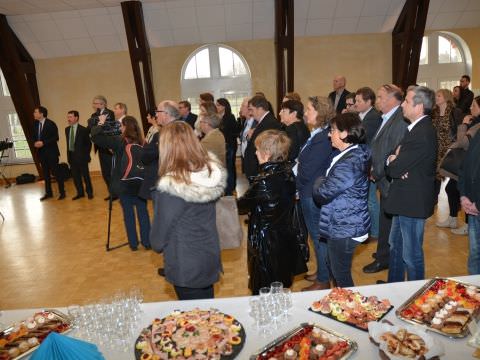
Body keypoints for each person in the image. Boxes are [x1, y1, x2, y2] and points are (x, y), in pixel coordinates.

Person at [150, 122, 226, 300]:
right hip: (208, 255)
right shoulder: (206, 172)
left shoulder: (173, 184)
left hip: (187, 263)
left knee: (194, 322)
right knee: (207, 316)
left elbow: (158, 240)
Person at [237, 130, 306, 295]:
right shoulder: (288, 172)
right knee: (281, 283)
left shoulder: (264, 181)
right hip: (285, 235)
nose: (255, 152)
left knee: (263, 287)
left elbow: (241, 206)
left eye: (257, 149)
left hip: (265, 241)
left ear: (266, 154)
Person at [384, 86, 437, 283]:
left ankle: (416, 296)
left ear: (419, 106)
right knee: (395, 246)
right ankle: (394, 288)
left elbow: (395, 169)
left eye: (406, 101)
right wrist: (394, 159)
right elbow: (396, 163)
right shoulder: (415, 129)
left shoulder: (422, 133)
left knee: (411, 254)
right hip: (404, 199)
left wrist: (393, 161)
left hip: (412, 202)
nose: (402, 105)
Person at [312, 112, 371, 287]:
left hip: (345, 226)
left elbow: (323, 192)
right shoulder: (349, 154)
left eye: (333, 130)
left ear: (345, 133)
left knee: (341, 275)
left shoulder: (350, 162)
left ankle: (350, 309)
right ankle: (341, 305)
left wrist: (319, 180)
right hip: (342, 221)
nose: (329, 134)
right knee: (336, 270)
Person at [363, 84, 408, 274]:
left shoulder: (399, 120)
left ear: (392, 100)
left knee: (388, 223)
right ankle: (384, 253)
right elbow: (379, 145)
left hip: (389, 180)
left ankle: (384, 258)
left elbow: (393, 150)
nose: (377, 101)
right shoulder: (388, 117)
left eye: (380, 97)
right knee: (385, 220)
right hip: (383, 177)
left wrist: (376, 172)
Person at [91, 115, 151, 251]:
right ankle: (147, 242)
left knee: (128, 214)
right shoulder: (143, 142)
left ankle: (133, 244)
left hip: (124, 183)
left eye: (121, 125)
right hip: (141, 183)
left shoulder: (119, 141)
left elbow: (96, 138)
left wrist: (100, 123)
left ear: (125, 127)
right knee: (143, 212)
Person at [296, 96, 336, 291]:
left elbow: (308, 170)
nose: (305, 113)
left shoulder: (323, 137)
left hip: (312, 193)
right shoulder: (318, 133)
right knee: (317, 236)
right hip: (309, 190)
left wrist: (295, 184)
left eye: (309, 109)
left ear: (320, 113)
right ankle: (322, 271)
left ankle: (323, 280)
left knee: (319, 237)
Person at [440, 96, 480, 236]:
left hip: (472, 168)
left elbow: (463, 142)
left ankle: (468, 225)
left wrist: (463, 125)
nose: (470, 108)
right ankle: (453, 218)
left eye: (474, 105)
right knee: (452, 188)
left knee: (466, 192)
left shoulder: (477, 126)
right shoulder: (474, 122)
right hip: (465, 165)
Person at [354, 87, 383, 240]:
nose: (356, 103)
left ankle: (376, 232)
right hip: (362, 161)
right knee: (365, 198)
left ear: (368, 102)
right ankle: (369, 228)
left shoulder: (373, 117)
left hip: (369, 162)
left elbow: (362, 139)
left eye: (359, 101)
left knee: (371, 199)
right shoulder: (361, 115)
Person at [139, 101, 179, 203]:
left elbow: (145, 156)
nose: (156, 115)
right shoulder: (183, 129)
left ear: (166, 114)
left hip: (164, 182)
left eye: (158, 111)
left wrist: (145, 150)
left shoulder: (164, 134)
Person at [431, 89, 463, 203]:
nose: (436, 98)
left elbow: (460, 131)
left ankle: (456, 206)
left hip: (451, 150)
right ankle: (434, 199)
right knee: (436, 175)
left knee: (453, 179)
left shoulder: (455, 112)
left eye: (438, 96)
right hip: (436, 148)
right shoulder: (433, 112)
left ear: (446, 97)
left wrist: (456, 145)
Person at [458, 123, 480, 275]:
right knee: (475, 254)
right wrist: (464, 194)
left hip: (476, 205)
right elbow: (465, 165)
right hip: (472, 205)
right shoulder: (478, 132)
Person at [243, 95, 281, 180]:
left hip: (260, 170)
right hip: (257, 169)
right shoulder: (264, 121)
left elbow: (269, 150)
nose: (250, 113)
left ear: (260, 109)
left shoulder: (269, 123)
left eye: (251, 110)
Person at [33, 106, 65, 201]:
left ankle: (62, 192)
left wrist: (43, 143)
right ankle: (48, 193)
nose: (34, 114)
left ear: (41, 114)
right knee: (45, 175)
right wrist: (35, 142)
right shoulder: (35, 124)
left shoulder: (51, 124)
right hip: (41, 153)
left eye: (35, 112)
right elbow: (33, 136)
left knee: (56, 173)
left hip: (52, 153)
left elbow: (56, 138)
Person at [87, 95, 115, 201]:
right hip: (100, 146)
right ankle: (112, 192)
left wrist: (98, 126)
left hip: (109, 146)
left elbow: (106, 128)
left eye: (95, 103)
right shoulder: (94, 115)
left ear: (102, 104)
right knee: (105, 172)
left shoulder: (110, 113)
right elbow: (91, 128)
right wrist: (99, 124)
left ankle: (116, 192)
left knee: (112, 171)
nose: (94, 105)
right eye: (93, 103)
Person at [65, 110, 93, 200]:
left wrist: (84, 155)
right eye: (68, 117)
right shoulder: (67, 129)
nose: (68, 119)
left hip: (82, 158)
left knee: (85, 176)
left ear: (76, 118)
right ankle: (80, 193)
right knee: (76, 177)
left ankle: (89, 192)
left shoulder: (83, 130)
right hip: (72, 157)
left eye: (70, 117)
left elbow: (88, 144)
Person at [216, 98, 241, 195]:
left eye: (218, 105)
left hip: (229, 145)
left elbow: (235, 132)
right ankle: (224, 186)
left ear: (224, 106)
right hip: (221, 146)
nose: (216, 107)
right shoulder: (216, 116)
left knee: (230, 166)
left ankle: (230, 188)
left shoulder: (230, 117)